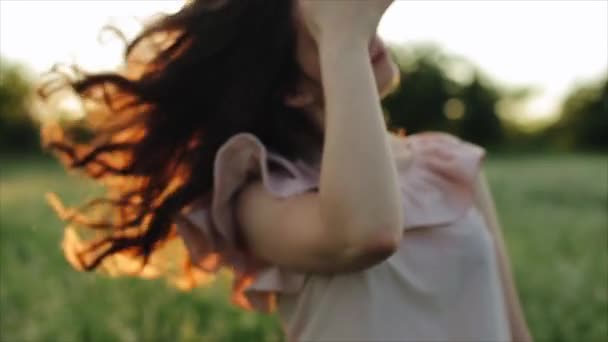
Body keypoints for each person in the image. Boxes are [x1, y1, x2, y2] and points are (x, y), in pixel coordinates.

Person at [39, 0, 532, 341]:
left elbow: (514, 330)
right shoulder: (261, 196)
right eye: (321, 33)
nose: (365, 34)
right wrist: (340, 35)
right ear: (291, 90)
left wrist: (336, 35)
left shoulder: (452, 163)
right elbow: (365, 234)